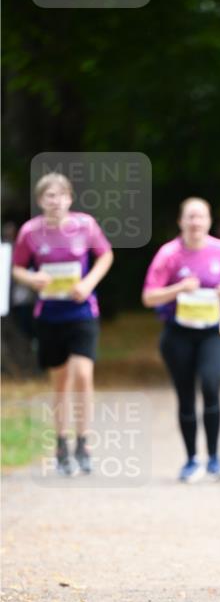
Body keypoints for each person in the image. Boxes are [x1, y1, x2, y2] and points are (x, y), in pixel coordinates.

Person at [12, 172, 114, 475]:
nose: (55, 201)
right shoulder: (30, 232)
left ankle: (83, 443)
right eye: (49, 196)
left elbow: (105, 256)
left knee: (82, 374)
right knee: (61, 383)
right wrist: (33, 278)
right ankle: (61, 445)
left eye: (61, 195)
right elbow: (17, 268)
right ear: (41, 201)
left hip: (82, 312)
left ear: (70, 198)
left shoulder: (85, 225)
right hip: (49, 315)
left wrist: (88, 283)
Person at [142, 197, 220, 481]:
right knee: (185, 395)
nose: (195, 222)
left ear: (209, 221)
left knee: (210, 386)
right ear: (181, 221)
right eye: (190, 217)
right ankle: (190, 460)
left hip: (213, 333)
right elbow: (149, 297)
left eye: (200, 217)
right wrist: (178, 289)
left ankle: (214, 459)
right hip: (178, 335)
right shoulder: (168, 254)